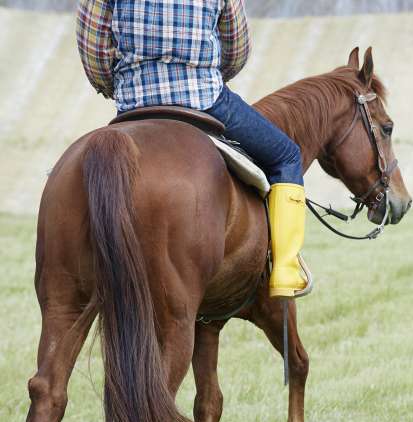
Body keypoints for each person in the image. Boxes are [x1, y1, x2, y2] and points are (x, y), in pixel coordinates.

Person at [76, 0, 308, 298]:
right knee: (286, 156)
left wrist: (117, 86)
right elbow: (236, 49)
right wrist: (205, 75)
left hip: (135, 100)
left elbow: (92, 50)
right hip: (203, 99)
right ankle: (285, 272)